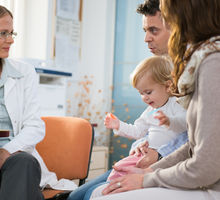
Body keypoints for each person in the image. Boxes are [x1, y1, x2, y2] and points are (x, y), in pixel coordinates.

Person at [90, 0, 220, 199]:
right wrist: (149, 172)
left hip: (210, 186)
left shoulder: (212, 63)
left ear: (183, 21)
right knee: (100, 191)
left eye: (167, 21)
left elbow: (206, 165)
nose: (146, 38)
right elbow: (194, 145)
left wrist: (148, 177)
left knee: (101, 195)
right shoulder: (199, 63)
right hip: (197, 176)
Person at [67, 0, 188, 199]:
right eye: (144, 31)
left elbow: (193, 136)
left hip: (167, 165)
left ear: (176, 28)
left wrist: (159, 155)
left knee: (92, 194)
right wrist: (142, 142)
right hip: (146, 157)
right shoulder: (161, 69)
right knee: (76, 196)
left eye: (154, 30)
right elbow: (149, 128)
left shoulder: (193, 72)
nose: (146, 39)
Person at [0, 2, 76, 200]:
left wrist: (4, 153)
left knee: (25, 163)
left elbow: (35, 125)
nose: (10, 40)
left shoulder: (24, 72)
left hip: (14, 161)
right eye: (2, 33)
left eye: (12, 33)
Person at [104, 55, 186, 181]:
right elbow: (137, 131)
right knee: (118, 170)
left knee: (121, 172)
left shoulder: (176, 104)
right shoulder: (149, 111)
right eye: (141, 93)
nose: (144, 98)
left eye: (148, 92)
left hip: (166, 160)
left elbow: (187, 124)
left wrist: (169, 121)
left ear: (167, 86)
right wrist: (118, 125)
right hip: (147, 155)